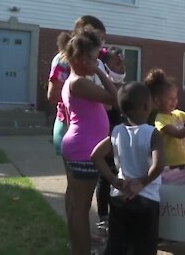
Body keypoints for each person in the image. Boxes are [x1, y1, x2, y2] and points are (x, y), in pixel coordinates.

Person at [47, 15, 108, 224]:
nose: (98, 42)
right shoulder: (64, 60)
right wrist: (84, 97)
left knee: (78, 192)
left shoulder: (95, 62)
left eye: (101, 38)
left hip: (86, 129)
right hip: (70, 126)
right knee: (76, 192)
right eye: (92, 35)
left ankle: (78, 234)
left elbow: (108, 99)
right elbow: (53, 94)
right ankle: (77, 234)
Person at [91, 81, 165, 255]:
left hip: (120, 198)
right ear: (147, 105)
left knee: (117, 244)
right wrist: (142, 182)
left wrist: (113, 180)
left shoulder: (116, 131)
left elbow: (96, 155)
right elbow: (159, 165)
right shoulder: (153, 133)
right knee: (144, 247)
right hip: (147, 200)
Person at [60, 29, 117, 255]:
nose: (97, 62)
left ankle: (78, 249)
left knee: (76, 206)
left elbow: (104, 107)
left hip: (76, 145)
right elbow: (115, 98)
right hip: (85, 149)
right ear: (82, 59)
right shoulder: (80, 83)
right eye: (94, 58)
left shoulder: (72, 82)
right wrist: (102, 74)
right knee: (82, 208)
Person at [144, 68, 185, 169]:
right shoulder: (160, 120)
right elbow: (179, 134)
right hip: (169, 165)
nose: (174, 102)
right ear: (157, 100)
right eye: (170, 99)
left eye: (175, 98)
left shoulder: (178, 113)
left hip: (183, 161)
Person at [95, 46, 127, 233]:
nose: (122, 66)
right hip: (105, 135)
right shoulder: (101, 85)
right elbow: (107, 107)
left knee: (119, 173)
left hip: (119, 136)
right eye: (117, 62)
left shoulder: (121, 86)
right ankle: (103, 217)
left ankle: (116, 214)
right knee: (106, 177)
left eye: (123, 62)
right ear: (104, 65)